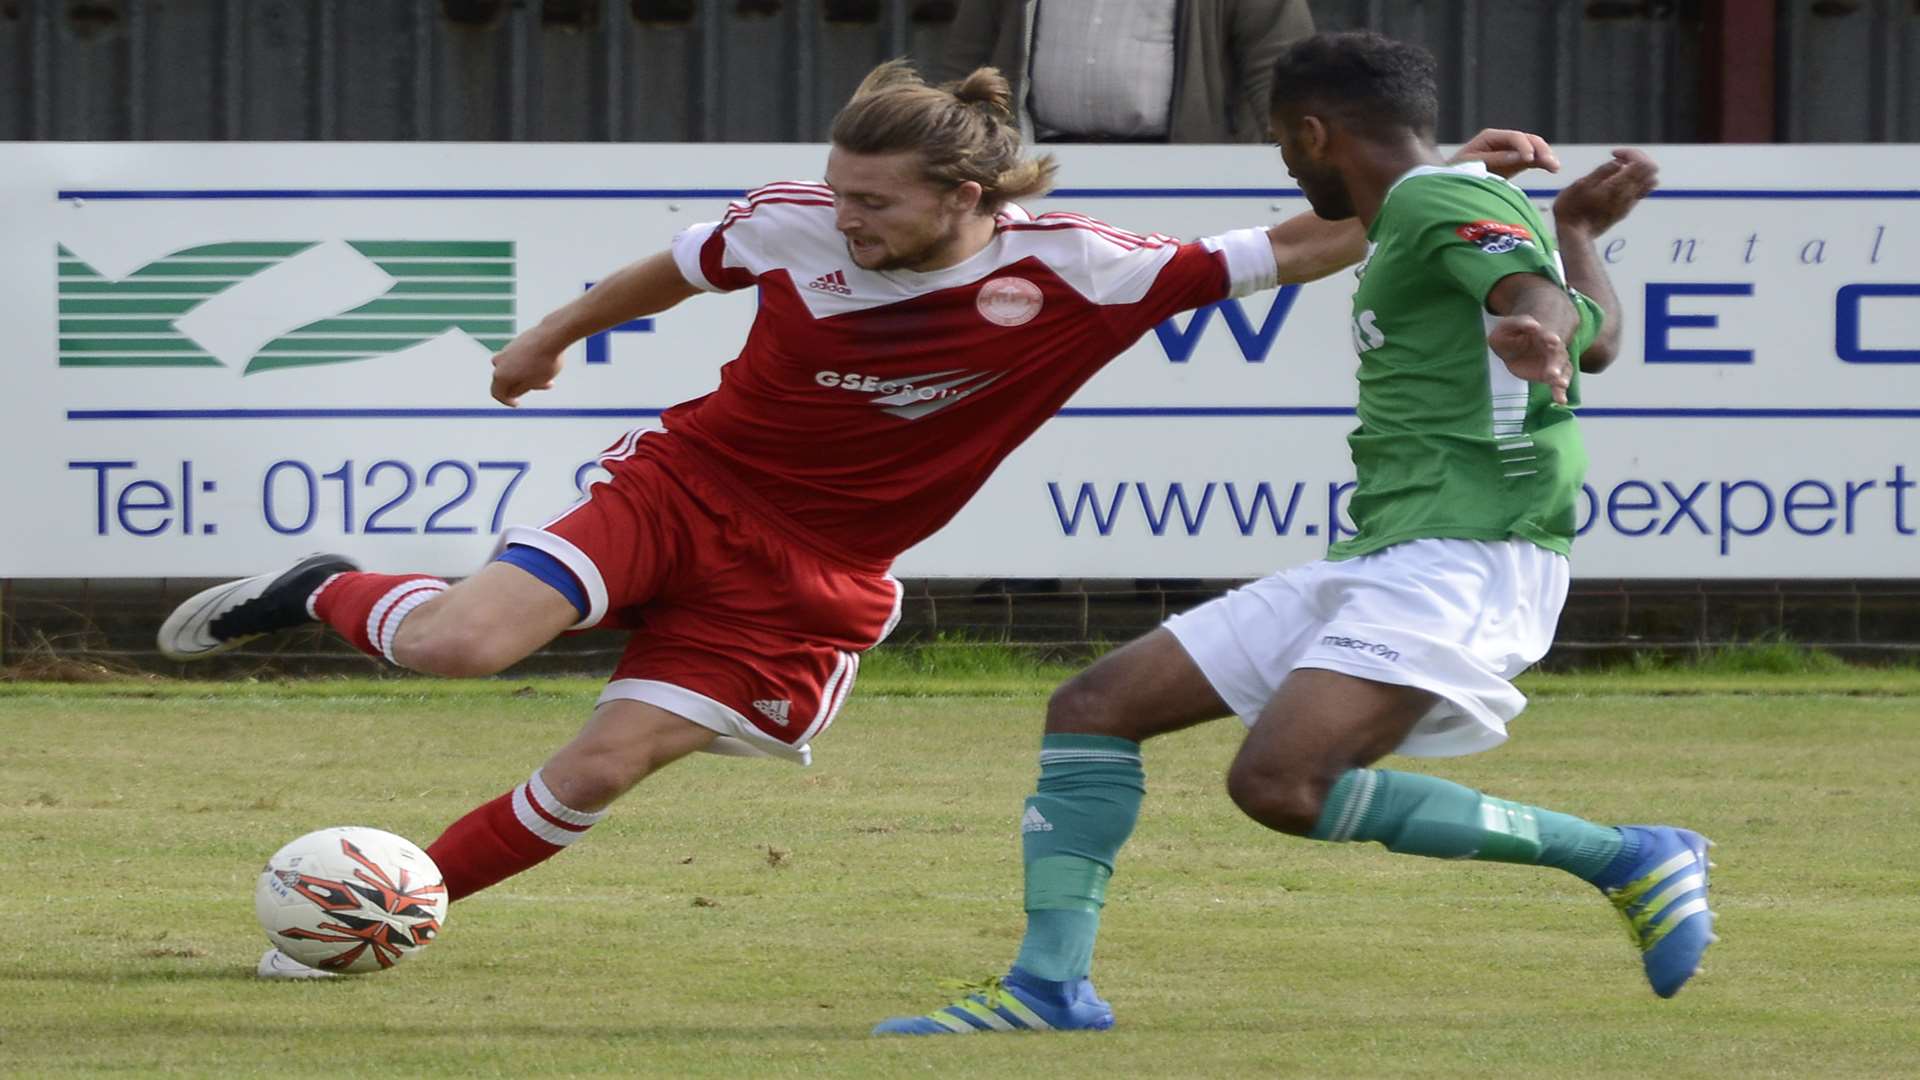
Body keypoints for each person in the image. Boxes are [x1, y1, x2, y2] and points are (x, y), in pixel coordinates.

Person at [157, 58, 1555, 980]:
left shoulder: (1084, 270)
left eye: (872, 202)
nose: (843, 219)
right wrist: (550, 337)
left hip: (815, 578)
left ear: (966, 196)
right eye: (835, 193)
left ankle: (395, 915)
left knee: (595, 774)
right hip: (689, 489)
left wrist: (1439, 193)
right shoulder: (791, 225)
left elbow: (1312, 241)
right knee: (464, 647)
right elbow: (674, 269)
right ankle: (317, 588)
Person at [875, 32, 1707, 1037]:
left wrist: (1536, 319)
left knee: (1282, 784)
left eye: (1280, 142)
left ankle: (1627, 855)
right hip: (1387, 552)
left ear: (1314, 132)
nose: (1283, 163)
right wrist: (1575, 232)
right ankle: (1049, 989)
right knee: (1094, 706)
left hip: (1471, 551)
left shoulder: (1440, 203)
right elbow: (1600, 336)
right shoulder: (1422, 205)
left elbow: (1537, 307)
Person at [934, 0, 1313, 143]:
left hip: (1189, 170)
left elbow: (1282, 67)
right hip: (1035, 164)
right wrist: (952, 144)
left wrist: (1292, 159)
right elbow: (968, 59)